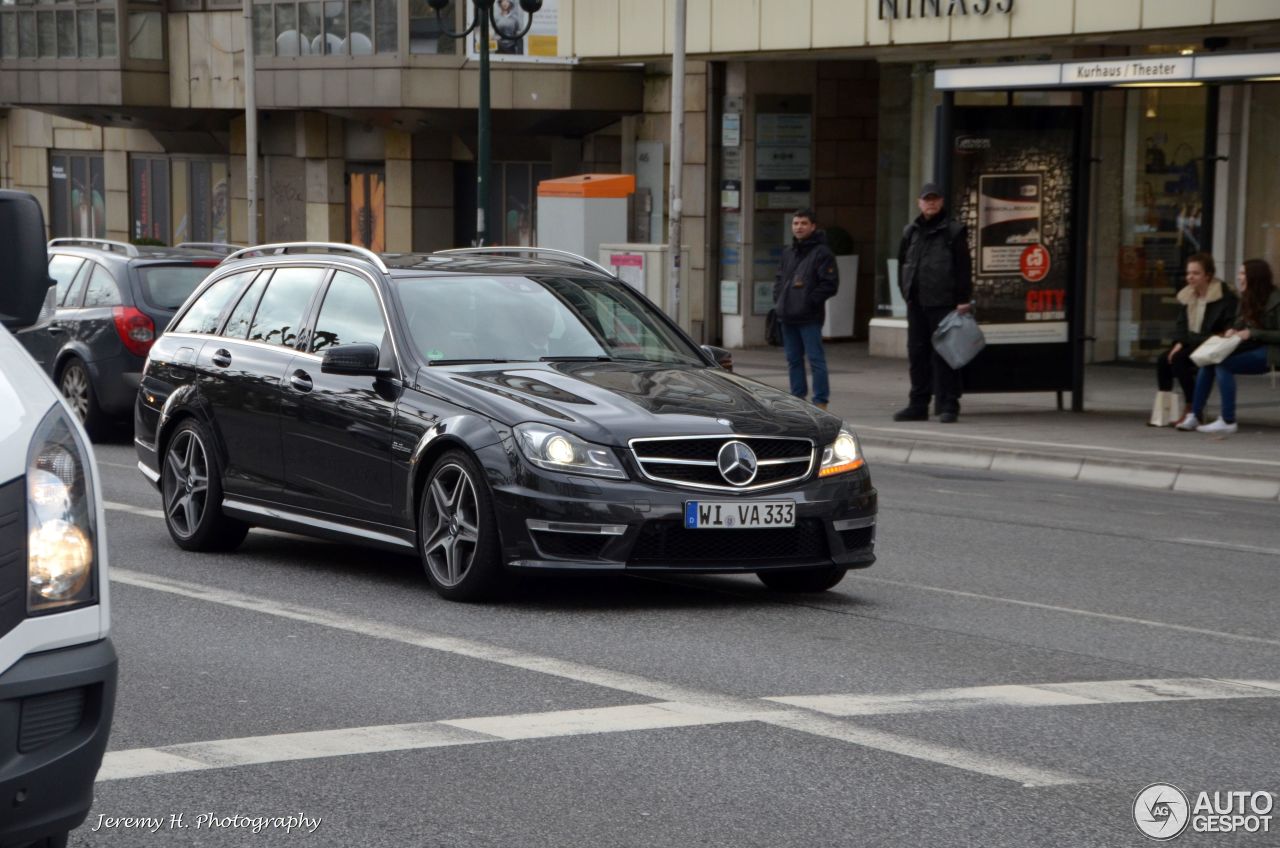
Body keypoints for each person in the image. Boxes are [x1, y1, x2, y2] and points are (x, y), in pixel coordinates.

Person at [894, 182, 972, 424]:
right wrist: (906, 294)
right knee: (917, 355)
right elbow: (902, 265)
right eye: (927, 199)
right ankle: (918, 404)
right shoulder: (911, 232)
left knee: (946, 355)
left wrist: (962, 299)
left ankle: (949, 404)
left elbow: (963, 268)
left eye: (935, 199)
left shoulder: (953, 231)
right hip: (917, 304)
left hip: (944, 304)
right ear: (919, 202)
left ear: (941, 202)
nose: (931, 203)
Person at [1177, 258, 1280, 434]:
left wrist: (1253, 333)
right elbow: (1240, 323)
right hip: (1249, 347)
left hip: (1272, 351)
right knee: (1209, 361)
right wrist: (1232, 331)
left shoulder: (1276, 300)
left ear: (1254, 277)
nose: (1239, 278)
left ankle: (1228, 419)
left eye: (1242, 274)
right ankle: (1194, 414)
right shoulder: (1246, 297)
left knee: (1223, 364)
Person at [1157, 253, 1237, 427]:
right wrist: (1179, 342)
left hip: (1212, 345)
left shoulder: (1224, 297)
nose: (1190, 277)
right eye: (1188, 273)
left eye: (1195, 273)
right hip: (1191, 343)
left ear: (1207, 275)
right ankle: (1163, 411)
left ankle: (1193, 409)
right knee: (1163, 360)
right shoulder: (1188, 296)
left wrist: (1184, 343)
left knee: (1179, 359)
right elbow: (1181, 324)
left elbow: (1226, 329)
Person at [772, 208, 839, 409]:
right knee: (793, 360)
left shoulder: (822, 253)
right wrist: (778, 300)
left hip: (809, 316)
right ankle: (797, 399)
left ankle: (820, 401)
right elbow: (779, 279)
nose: (799, 227)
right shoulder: (788, 252)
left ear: (813, 226)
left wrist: (809, 301)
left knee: (816, 360)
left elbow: (829, 284)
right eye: (796, 223)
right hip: (787, 315)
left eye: (803, 223)